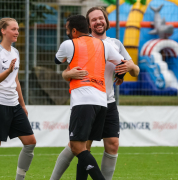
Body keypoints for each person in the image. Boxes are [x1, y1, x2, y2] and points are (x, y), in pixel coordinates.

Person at [50, 7, 140, 180]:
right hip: (88, 100)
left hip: (108, 101)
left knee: (112, 145)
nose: (98, 21)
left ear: (106, 20)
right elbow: (66, 72)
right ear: (88, 24)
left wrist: (130, 68)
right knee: (79, 146)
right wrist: (67, 74)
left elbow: (135, 71)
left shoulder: (115, 44)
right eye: (94, 19)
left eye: (101, 18)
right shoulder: (80, 43)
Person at [0, 17, 36, 180]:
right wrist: (8, 70)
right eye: (13, 29)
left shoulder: (15, 52)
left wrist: (23, 105)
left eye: (18, 29)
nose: (17, 32)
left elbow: (16, 80)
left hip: (14, 105)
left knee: (30, 142)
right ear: (3, 31)